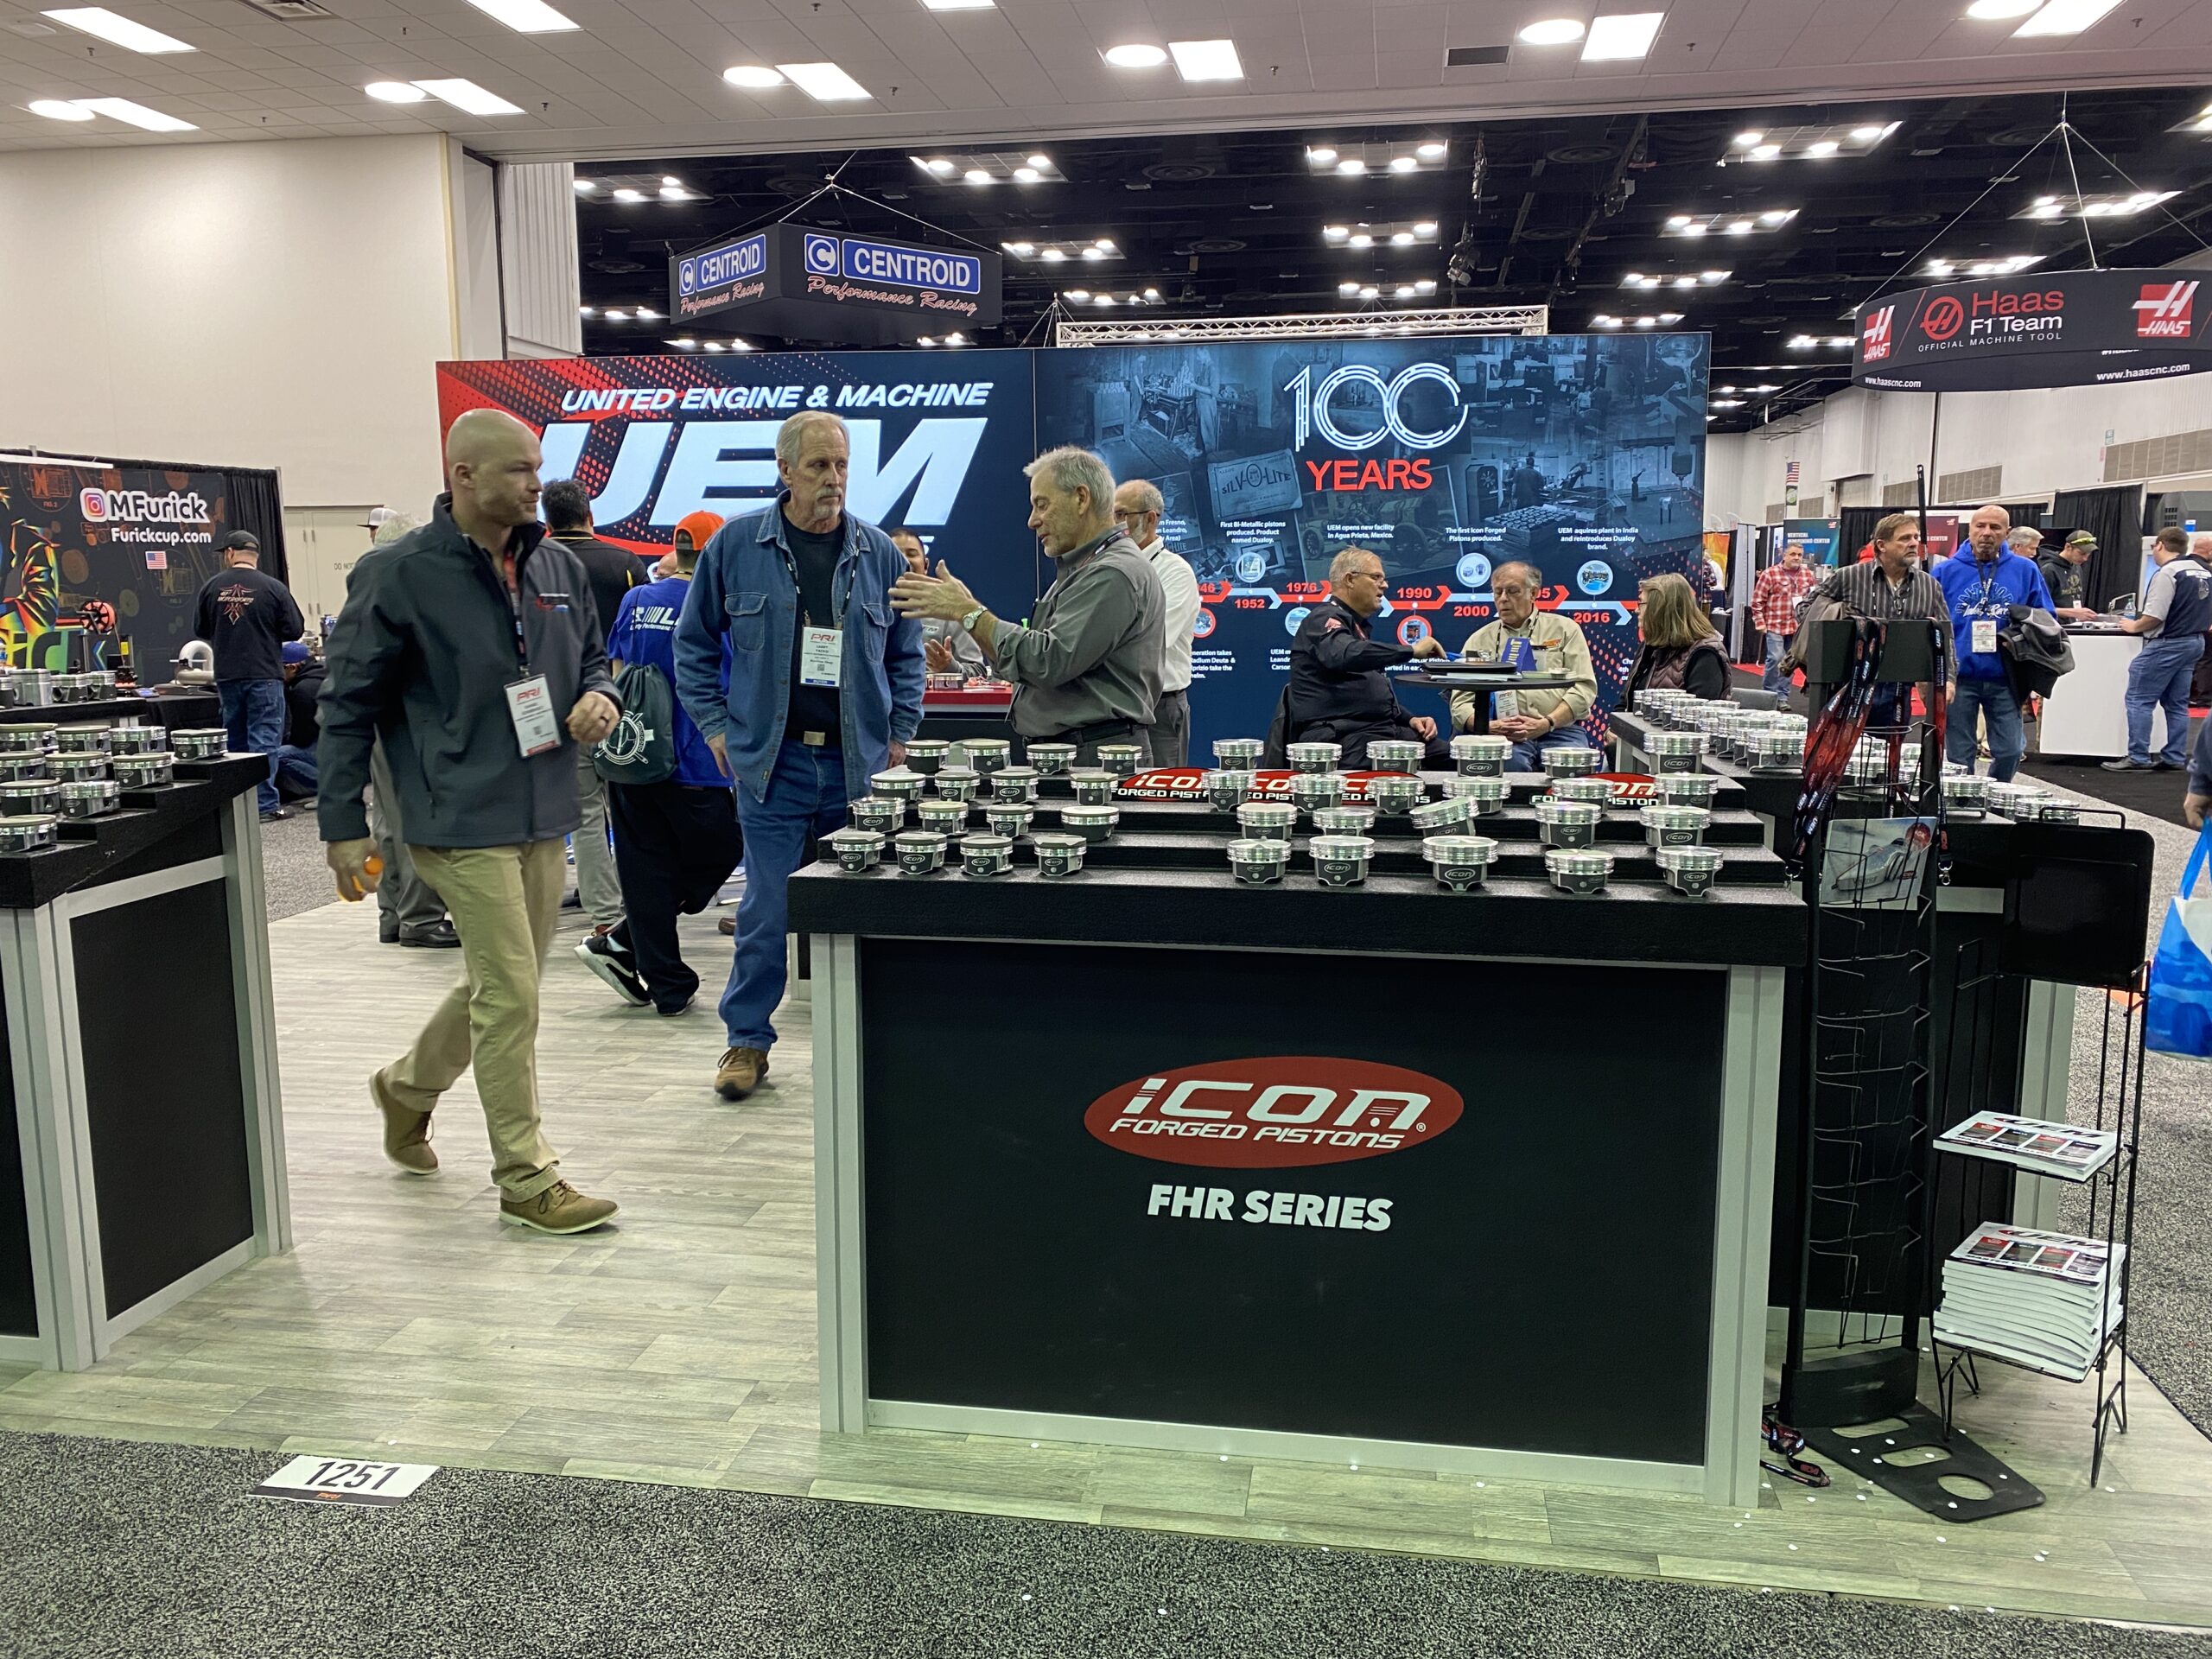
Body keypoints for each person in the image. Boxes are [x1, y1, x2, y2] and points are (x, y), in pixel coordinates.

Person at [317, 408, 623, 1236]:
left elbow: (594, 660)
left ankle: (406, 1088)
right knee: (512, 993)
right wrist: (343, 823)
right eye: (519, 470)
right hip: (453, 815)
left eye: (537, 468)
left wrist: (601, 696)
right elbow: (345, 706)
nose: (536, 484)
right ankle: (526, 1177)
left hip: (544, 806)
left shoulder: (557, 565)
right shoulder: (399, 574)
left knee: (502, 984)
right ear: (463, 476)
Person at [677, 410, 924, 1103]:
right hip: (772, 765)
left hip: (859, 766)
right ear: (785, 470)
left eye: (841, 465)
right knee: (765, 911)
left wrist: (900, 733)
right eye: (818, 466)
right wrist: (716, 727)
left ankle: (878, 1043)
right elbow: (692, 647)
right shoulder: (736, 547)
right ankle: (747, 1042)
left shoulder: (879, 553)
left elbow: (906, 655)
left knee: (866, 908)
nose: (833, 479)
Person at [892, 446, 1165, 769]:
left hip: (1094, 757)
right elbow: (1034, 661)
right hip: (1079, 751)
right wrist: (971, 614)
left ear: (1081, 499)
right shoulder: (1084, 569)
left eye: (1042, 505)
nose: (1032, 521)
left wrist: (969, 613)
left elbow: (1048, 662)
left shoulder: (1112, 573)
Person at [578, 510, 742, 1017]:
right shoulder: (720, 609)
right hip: (697, 759)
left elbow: (617, 671)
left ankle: (661, 978)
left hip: (634, 754)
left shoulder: (637, 600)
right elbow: (735, 684)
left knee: (646, 865)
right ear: (717, 554)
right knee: (723, 849)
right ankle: (627, 945)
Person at [350, 512, 456, 950]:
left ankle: (392, 914)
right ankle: (421, 917)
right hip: (413, 716)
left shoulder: (365, 586)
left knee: (387, 817)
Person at [539, 479, 632, 939]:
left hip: (560, 707)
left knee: (586, 814)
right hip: (621, 705)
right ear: (590, 516)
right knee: (629, 811)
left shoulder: (534, 566)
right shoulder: (625, 563)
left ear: (546, 519)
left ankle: (604, 911)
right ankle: (638, 898)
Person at [1283, 546, 1446, 759]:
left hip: (1378, 731)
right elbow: (1345, 654)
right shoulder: (1323, 618)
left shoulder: (1355, 626)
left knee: (1457, 758)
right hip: (1342, 738)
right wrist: (1412, 651)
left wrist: (1410, 719)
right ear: (1350, 579)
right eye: (1376, 577)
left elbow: (1366, 693)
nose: (1385, 585)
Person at [1933, 505, 2053, 782]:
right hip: (1959, 677)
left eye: (1995, 527)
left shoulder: (2025, 570)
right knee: (1959, 755)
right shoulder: (1945, 572)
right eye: (1981, 526)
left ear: (2006, 533)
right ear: (1970, 530)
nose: (1987, 533)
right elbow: (1931, 622)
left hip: (2006, 676)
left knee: (2011, 750)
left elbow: (2045, 618)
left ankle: (1997, 794)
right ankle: (1964, 802)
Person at [193, 529, 304, 822]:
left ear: (230, 553)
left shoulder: (211, 587)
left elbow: (200, 629)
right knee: (264, 740)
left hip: (228, 676)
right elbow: (294, 629)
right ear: (255, 555)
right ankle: (264, 805)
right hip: (264, 674)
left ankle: (237, 806)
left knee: (235, 743)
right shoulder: (274, 588)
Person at [1809, 512, 1955, 731]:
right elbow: (1806, 610)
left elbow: (1944, 635)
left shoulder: (1929, 585)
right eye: (1904, 538)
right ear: (1881, 545)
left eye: (1915, 537)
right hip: (1850, 686)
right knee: (1841, 750)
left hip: (1899, 691)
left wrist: (1948, 678)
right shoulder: (1849, 577)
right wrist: (1840, 625)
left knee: (1890, 750)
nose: (1913, 543)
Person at [1452, 560, 1598, 770]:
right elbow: (1460, 702)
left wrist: (1547, 723)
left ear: (1534, 593)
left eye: (1512, 591)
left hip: (1559, 730)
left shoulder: (1565, 630)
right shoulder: (1479, 640)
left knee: (1571, 767)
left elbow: (1584, 688)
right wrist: (1489, 727)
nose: (1503, 599)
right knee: (1509, 765)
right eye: (1498, 592)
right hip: (1503, 732)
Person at [2103, 529, 2212, 773]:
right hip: (2195, 642)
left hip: (2168, 643)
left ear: (2160, 545)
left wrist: (2134, 626)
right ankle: (2174, 756)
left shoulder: (2168, 573)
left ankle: (2138, 757)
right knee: (2177, 704)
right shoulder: (2203, 572)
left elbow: (2155, 615)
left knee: (2139, 699)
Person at [1113, 480, 1203, 768]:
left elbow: (1152, 642)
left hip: (1159, 707)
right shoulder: (1106, 568)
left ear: (1151, 519)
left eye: (1121, 514)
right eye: (1111, 514)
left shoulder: (1175, 572)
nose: (1113, 523)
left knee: (1162, 792)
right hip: (1114, 708)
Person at [1623, 571, 1730, 709]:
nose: (1636, 610)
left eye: (1641, 603)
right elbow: (1624, 702)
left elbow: (1696, 716)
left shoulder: (1705, 655)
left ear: (1660, 608)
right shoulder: (1650, 645)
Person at [889, 529, 985, 678]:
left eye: (911, 554)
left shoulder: (949, 612)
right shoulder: (863, 609)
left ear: (926, 565)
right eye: (895, 554)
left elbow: (978, 671)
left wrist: (949, 668)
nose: (904, 560)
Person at [1750, 542, 1821, 696]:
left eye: (1800, 555)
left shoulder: (1807, 574)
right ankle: (1769, 695)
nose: (1797, 558)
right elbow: (1757, 601)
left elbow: (1813, 599)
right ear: (1785, 555)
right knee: (1775, 659)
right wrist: (1760, 623)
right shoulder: (1770, 574)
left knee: (1790, 662)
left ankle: (1783, 696)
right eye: (1793, 554)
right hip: (1774, 625)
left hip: (1797, 626)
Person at [271, 641, 322, 803]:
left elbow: (302, 738)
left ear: (292, 668)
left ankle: (327, 784)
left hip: (322, 746)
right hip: (342, 746)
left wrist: (285, 739)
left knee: (277, 755)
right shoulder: (324, 676)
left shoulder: (302, 690)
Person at [2039, 531, 2099, 622]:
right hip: (2054, 626)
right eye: (2082, 553)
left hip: (2074, 624)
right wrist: (2071, 613)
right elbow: (2039, 608)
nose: (2085, 559)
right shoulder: (2048, 570)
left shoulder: (2076, 567)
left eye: (2088, 554)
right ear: (2068, 547)